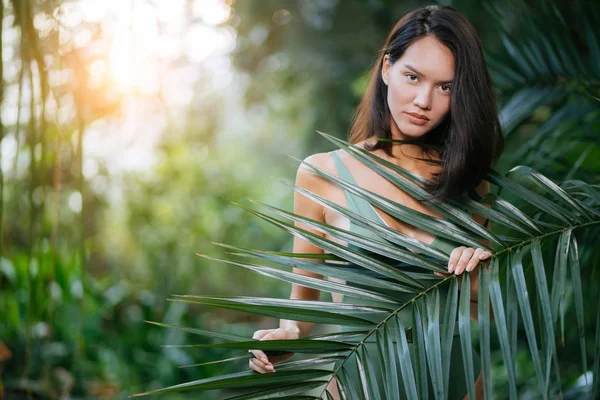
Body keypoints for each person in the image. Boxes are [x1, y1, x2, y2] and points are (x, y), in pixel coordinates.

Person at [249, 4, 503, 399]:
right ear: (387, 69)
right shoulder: (323, 174)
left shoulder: (471, 185)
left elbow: (484, 312)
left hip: (458, 387)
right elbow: (303, 311)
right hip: (358, 387)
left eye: (445, 87)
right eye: (412, 76)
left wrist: (474, 281)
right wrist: (285, 337)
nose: (423, 100)